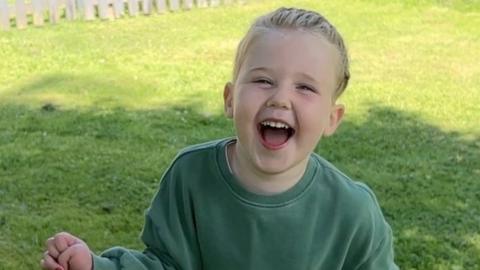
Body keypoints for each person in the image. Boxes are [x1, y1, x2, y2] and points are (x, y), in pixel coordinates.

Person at [41, 7, 398, 270]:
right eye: (262, 80)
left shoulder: (352, 213)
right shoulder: (190, 177)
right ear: (230, 99)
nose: (279, 98)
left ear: (331, 119)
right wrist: (93, 266)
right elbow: (164, 265)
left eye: (304, 87)